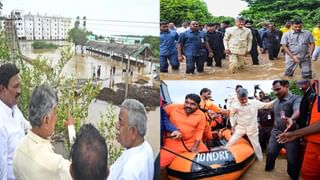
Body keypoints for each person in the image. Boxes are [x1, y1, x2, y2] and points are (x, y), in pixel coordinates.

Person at [13, 84, 76, 180]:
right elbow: (79, 170)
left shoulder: (19, 150)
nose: (56, 118)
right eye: (55, 114)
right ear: (46, 120)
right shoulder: (55, 165)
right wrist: (71, 130)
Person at [277, 80, 320, 180]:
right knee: (307, 173)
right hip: (311, 139)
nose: (297, 85)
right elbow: (309, 117)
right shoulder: (312, 92)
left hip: (315, 141)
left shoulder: (312, 93)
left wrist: (295, 134)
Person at [108, 99, 154, 180]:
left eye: (120, 122)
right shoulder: (145, 147)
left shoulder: (129, 172)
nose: (117, 126)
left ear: (133, 132)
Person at [265, 80, 301, 180]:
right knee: (270, 153)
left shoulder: (296, 99)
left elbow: (298, 109)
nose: (276, 92)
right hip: (275, 133)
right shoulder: (276, 101)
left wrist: (292, 119)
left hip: (290, 135)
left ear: (286, 86)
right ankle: (268, 171)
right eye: (274, 90)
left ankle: (293, 176)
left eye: (278, 89)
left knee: (292, 159)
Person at [225, 88, 274, 161]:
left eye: (245, 99)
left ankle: (260, 160)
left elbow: (267, 105)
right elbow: (232, 115)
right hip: (240, 128)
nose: (244, 101)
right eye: (242, 99)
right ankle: (224, 156)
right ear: (238, 98)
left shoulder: (255, 103)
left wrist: (278, 99)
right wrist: (233, 126)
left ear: (247, 96)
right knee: (230, 142)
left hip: (252, 129)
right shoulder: (235, 105)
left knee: (256, 145)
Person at [160, 94, 208, 168]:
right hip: (172, 145)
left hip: (191, 143)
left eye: (192, 104)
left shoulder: (201, 115)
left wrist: (195, 147)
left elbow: (200, 131)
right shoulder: (172, 107)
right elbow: (161, 116)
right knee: (159, 165)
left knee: (208, 161)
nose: (188, 105)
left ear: (198, 106)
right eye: (187, 102)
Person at [0, 63, 30, 180]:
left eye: (19, 86)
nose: (19, 91)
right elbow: (2, 167)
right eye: (15, 87)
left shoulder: (13, 108)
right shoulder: (1, 124)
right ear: (2, 89)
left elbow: (26, 125)